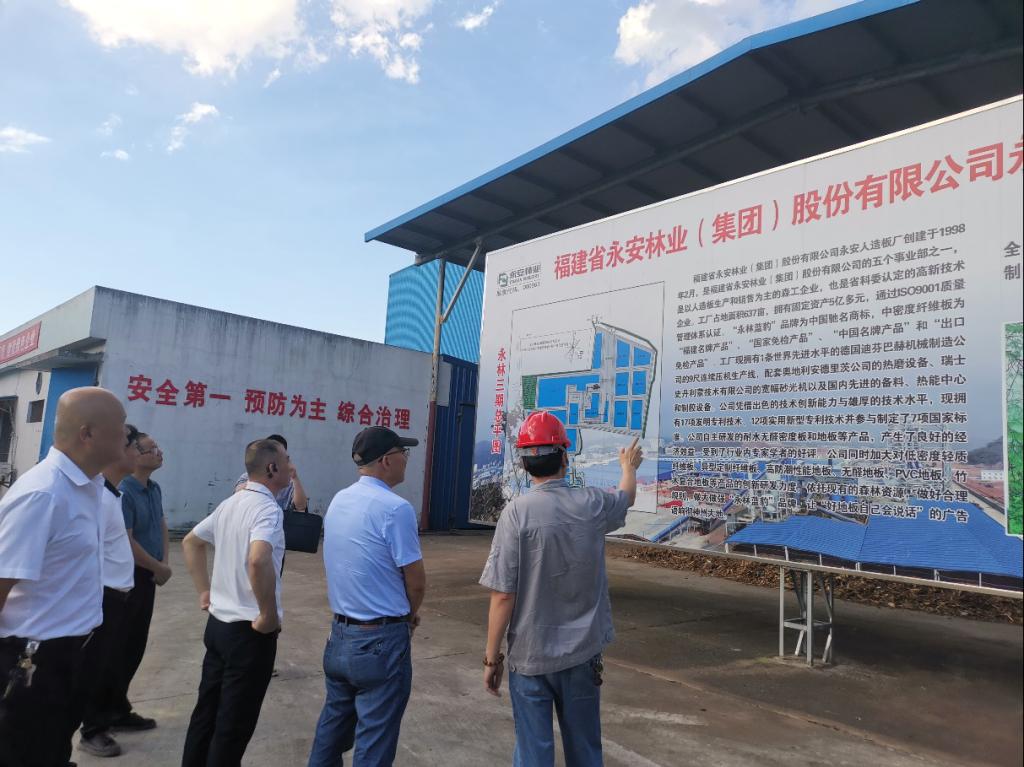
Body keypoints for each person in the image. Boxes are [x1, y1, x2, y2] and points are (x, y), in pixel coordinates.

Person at [479, 411, 643, 767]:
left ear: (524, 464)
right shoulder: (592, 504)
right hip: (582, 655)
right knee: (585, 751)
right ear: (565, 457)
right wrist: (628, 467)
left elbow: (503, 594)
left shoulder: (515, 514)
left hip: (530, 657)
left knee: (533, 755)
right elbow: (626, 497)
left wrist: (492, 659)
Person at [0, 387, 127, 767]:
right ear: (87, 433)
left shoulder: (88, 487)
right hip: (34, 664)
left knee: (54, 748)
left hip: (72, 654)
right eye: (120, 426)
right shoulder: (43, 494)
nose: (126, 434)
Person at [307, 426, 425, 767]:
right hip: (380, 642)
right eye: (403, 453)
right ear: (387, 460)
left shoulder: (339, 500)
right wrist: (409, 616)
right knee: (375, 742)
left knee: (331, 732)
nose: (406, 460)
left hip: (340, 637)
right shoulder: (396, 508)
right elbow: (416, 581)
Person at [180, 439, 290, 767]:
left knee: (206, 713)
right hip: (248, 633)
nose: (291, 467)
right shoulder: (267, 509)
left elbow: (191, 542)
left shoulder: (230, 503)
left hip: (218, 628)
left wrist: (205, 591)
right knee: (233, 726)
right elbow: (258, 559)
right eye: (286, 460)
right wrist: (267, 614)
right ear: (272, 468)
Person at [77, 423, 143, 758]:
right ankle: (92, 730)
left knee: (112, 663)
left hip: (119, 595)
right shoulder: (98, 498)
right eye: (134, 448)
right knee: (96, 667)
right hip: (103, 596)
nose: (137, 455)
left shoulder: (112, 494)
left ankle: (110, 716)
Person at [107, 431, 169, 732]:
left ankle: (118, 709)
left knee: (134, 646)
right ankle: (96, 723)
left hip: (149, 575)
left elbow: (162, 525)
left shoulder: (153, 489)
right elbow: (125, 540)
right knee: (114, 649)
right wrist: (156, 566)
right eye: (151, 448)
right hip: (128, 576)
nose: (159, 452)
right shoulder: (124, 492)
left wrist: (163, 564)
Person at [233, 434, 308, 512]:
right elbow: (237, 493)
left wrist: (295, 477)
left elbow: (301, 507)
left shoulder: (288, 481)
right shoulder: (248, 476)